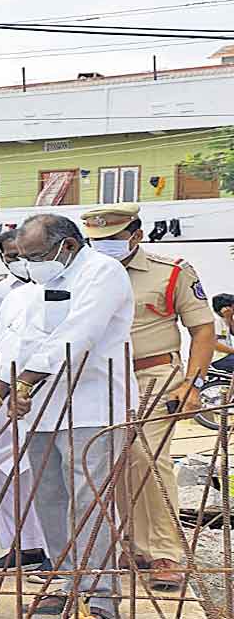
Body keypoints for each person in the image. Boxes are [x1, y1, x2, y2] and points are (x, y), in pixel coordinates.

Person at [0, 214, 131, 619]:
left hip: (91, 405)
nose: (27, 264)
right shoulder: (30, 286)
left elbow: (78, 335)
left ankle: (98, 595)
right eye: (22, 257)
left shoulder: (102, 272)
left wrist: (22, 384)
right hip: (38, 408)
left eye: (36, 255)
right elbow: (15, 341)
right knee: (48, 497)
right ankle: (65, 581)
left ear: (69, 245)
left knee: (88, 499)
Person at [83, 203, 215, 590]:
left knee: (149, 458)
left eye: (112, 239)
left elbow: (203, 330)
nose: (103, 246)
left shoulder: (172, 270)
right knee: (115, 463)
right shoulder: (84, 273)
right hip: (99, 379)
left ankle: (164, 553)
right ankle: (130, 544)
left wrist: (191, 384)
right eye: (96, 240)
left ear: (136, 235)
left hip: (154, 376)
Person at [0, 228, 48, 572]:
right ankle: (22, 544)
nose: (21, 262)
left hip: (38, 393)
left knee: (40, 470)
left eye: (29, 255)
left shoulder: (65, 289)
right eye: (13, 255)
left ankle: (51, 548)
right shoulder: (5, 295)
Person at [214, 294, 234, 371]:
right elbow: (214, 344)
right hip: (219, 358)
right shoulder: (216, 321)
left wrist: (230, 318)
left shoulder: (225, 320)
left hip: (225, 356)